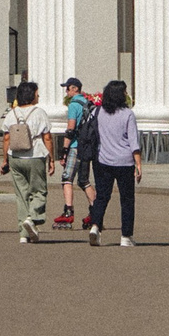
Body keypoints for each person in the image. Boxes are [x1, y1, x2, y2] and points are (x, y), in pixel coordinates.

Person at [86, 78, 141, 248]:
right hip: (125, 161)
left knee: (102, 196)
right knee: (127, 199)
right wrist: (138, 164)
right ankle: (126, 235)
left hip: (103, 159)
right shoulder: (127, 114)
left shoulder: (98, 112)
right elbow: (133, 141)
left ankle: (95, 226)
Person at [0, 81, 53, 242]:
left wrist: (5, 160)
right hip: (35, 155)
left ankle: (24, 235)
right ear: (31, 95)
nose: (38, 95)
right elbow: (47, 137)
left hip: (15, 156)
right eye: (37, 93)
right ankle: (33, 218)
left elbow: (6, 138)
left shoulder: (11, 114)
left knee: (21, 195)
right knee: (39, 191)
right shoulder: (39, 113)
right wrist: (51, 159)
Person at [52, 76, 93, 229]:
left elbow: (71, 129)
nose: (66, 92)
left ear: (75, 89)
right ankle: (95, 211)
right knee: (84, 180)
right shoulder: (89, 104)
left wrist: (64, 150)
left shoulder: (74, 105)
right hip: (87, 147)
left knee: (67, 178)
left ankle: (68, 212)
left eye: (68, 88)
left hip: (75, 146)